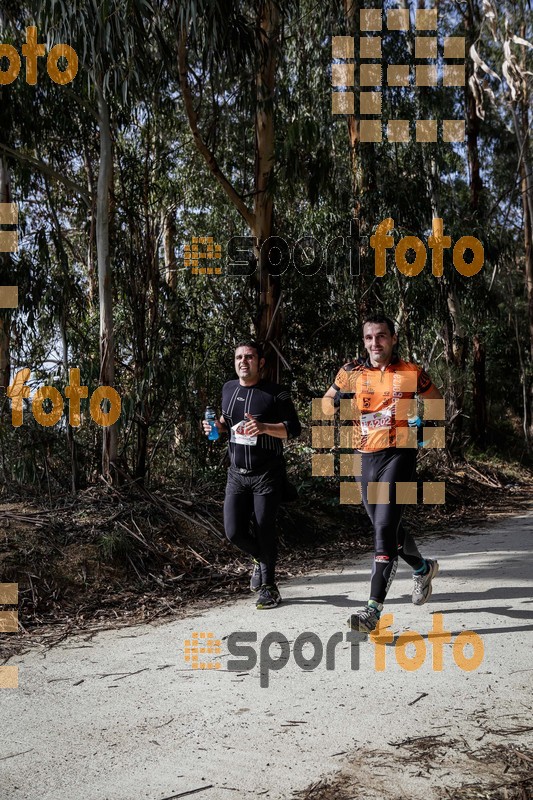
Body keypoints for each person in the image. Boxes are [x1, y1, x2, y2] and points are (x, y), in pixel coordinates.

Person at [322, 314, 443, 633]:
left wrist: (425, 431)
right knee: (386, 527)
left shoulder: (410, 371)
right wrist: (336, 403)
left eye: (381, 336)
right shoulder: (351, 372)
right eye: (369, 337)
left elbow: (435, 401)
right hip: (363, 459)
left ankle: (372, 611)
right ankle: (422, 567)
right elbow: (325, 402)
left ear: (393, 338)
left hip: (399, 455)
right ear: (364, 341)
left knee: (384, 529)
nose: (375, 343)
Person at [202, 341, 301, 609]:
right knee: (233, 532)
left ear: (261, 363)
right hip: (236, 473)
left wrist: (264, 427)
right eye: (238, 357)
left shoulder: (275, 393)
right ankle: (260, 557)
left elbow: (294, 429)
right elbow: (226, 423)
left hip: (267, 472)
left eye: (249, 357)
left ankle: (269, 587)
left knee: (264, 527)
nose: (243, 361)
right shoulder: (228, 389)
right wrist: (215, 427)